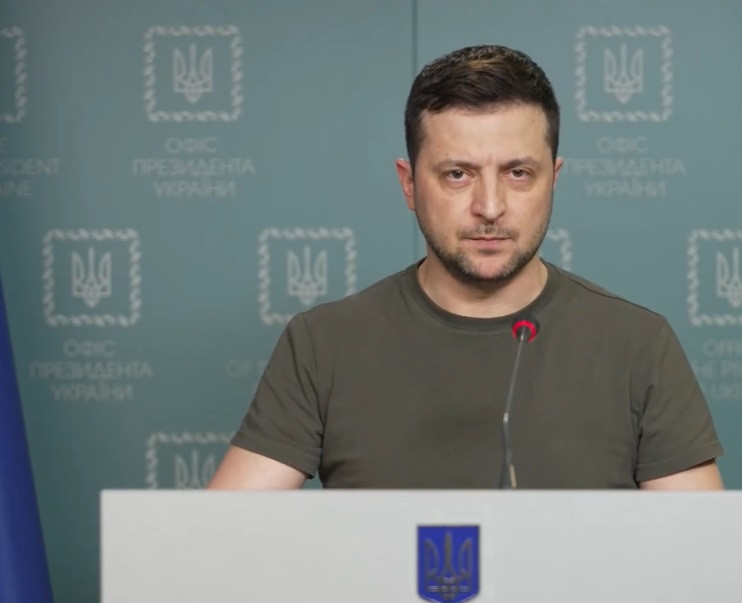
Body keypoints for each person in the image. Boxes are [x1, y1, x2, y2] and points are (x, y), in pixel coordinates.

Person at [208, 44, 724, 490]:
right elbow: (220, 538)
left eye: (518, 173)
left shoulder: (639, 345)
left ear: (553, 180)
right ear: (409, 184)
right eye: (457, 174)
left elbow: (700, 552)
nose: (490, 207)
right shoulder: (323, 344)